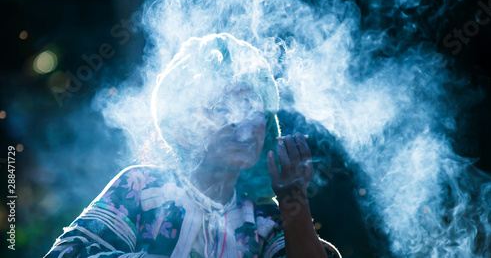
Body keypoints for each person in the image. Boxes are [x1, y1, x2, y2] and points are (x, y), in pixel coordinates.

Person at [44, 33, 341, 258]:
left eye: (254, 110)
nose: (242, 123)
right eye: (223, 106)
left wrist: (293, 199)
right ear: (183, 127)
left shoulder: (264, 221)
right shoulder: (142, 187)